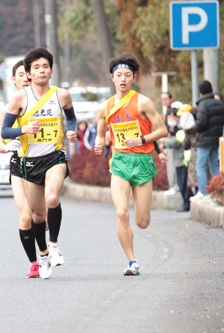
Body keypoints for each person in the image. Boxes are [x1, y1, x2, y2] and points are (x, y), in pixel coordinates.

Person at [1, 47, 77, 279]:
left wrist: (71, 131)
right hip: (29, 163)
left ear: (51, 71)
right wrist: (24, 129)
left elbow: (71, 117)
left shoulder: (61, 95)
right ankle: (42, 257)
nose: (41, 71)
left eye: (45, 67)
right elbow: (5, 130)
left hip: (54, 156)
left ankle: (53, 246)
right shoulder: (18, 98)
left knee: (52, 197)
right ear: (29, 74)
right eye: (36, 68)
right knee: (36, 216)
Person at [94, 52, 167, 276]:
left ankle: (140, 226)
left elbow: (163, 130)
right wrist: (99, 143)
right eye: (119, 75)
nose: (123, 79)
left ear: (134, 78)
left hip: (142, 161)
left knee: (142, 222)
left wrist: (142, 139)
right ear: (112, 78)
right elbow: (100, 133)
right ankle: (132, 261)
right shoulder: (105, 107)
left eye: (127, 75)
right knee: (121, 214)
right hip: (120, 162)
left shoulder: (142, 102)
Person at [0, 60, 45, 278]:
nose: (26, 78)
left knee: (40, 218)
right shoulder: (7, 111)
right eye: (21, 75)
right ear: (14, 80)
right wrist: (8, 146)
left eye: (28, 74)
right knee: (25, 215)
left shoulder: (45, 103)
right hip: (18, 165)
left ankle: (46, 249)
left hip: (44, 162)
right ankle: (34, 263)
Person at [192, 80, 224, 199]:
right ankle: (216, 191)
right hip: (216, 140)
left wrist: (194, 127)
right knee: (214, 165)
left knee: (200, 166)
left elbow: (201, 123)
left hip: (204, 141)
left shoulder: (203, 104)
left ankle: (203, 191)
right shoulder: (220, 104)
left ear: (201, 93)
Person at [164, 106, 191, 211]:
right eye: (169, 118)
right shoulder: (174, 128)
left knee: (184, 183)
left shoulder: (181, 128)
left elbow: (178, 141)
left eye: (172, 117)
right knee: (181, 183)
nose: (170, 120)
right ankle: (185, 202)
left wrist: (165, 142)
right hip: (178, 159)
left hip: (183, 159)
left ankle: (186, 203)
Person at [160, 92, 178, 194]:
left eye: (166, 99)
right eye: (162, 99)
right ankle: (172, 186)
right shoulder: (166, 111)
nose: (164, 101)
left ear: (171, 99)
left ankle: (175, 187)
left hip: (175, 141)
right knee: (169, 164)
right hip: (168, 141)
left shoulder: (175, 109)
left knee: (174, 165)